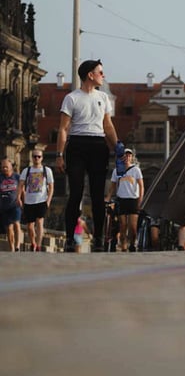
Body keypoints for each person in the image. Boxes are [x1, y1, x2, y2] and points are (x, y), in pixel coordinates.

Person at [57, 59, 119, 252]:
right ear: (90, 75)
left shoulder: (103, 97)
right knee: (75, 193)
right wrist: (59, 154)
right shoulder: (71, 98)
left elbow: (107, 125)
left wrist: (117, 147)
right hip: (77, 145)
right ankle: (69, 238)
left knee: (98, 195)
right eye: (100, 72)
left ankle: (98, 238)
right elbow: (63, 128)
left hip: (98, 145)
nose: (103, 75)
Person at [107, 147, 144, 252]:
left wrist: (141, 199)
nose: (127, 157)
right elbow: (113, 185)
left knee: (133, 227)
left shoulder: (136, 170)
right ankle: (123, 245)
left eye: (129, 155)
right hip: (121, 199)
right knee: (122, 225)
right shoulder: (117, 170)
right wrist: (108, 197)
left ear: (131, 157)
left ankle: (132, 243)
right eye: (125, 155)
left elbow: (141, 185)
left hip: (133, 199)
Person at [17, 150, 54, 252]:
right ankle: (33, 242)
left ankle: (38, 246)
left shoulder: (47, 170)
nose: (36, 158)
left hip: (42, 200)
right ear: (32, 158)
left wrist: (48, 201)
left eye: (38, 156)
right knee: (29, 226)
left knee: (39, 222)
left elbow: (51, 187)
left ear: (42, 158)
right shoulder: (26, 170)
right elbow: (20, 185)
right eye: (34, 156)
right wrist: (18, 197)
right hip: (29, 201)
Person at [1, 158, 22, 251]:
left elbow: (22, 190)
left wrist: (23, 201)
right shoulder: (0, 177)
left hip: (15, 204)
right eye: (2, 167)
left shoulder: (17, 177)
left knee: (16, 224)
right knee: (9, 228)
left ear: (11, 167)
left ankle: (17, 246)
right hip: (4, 206)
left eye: (6, 167)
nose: (4, 169)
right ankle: (12, 249)